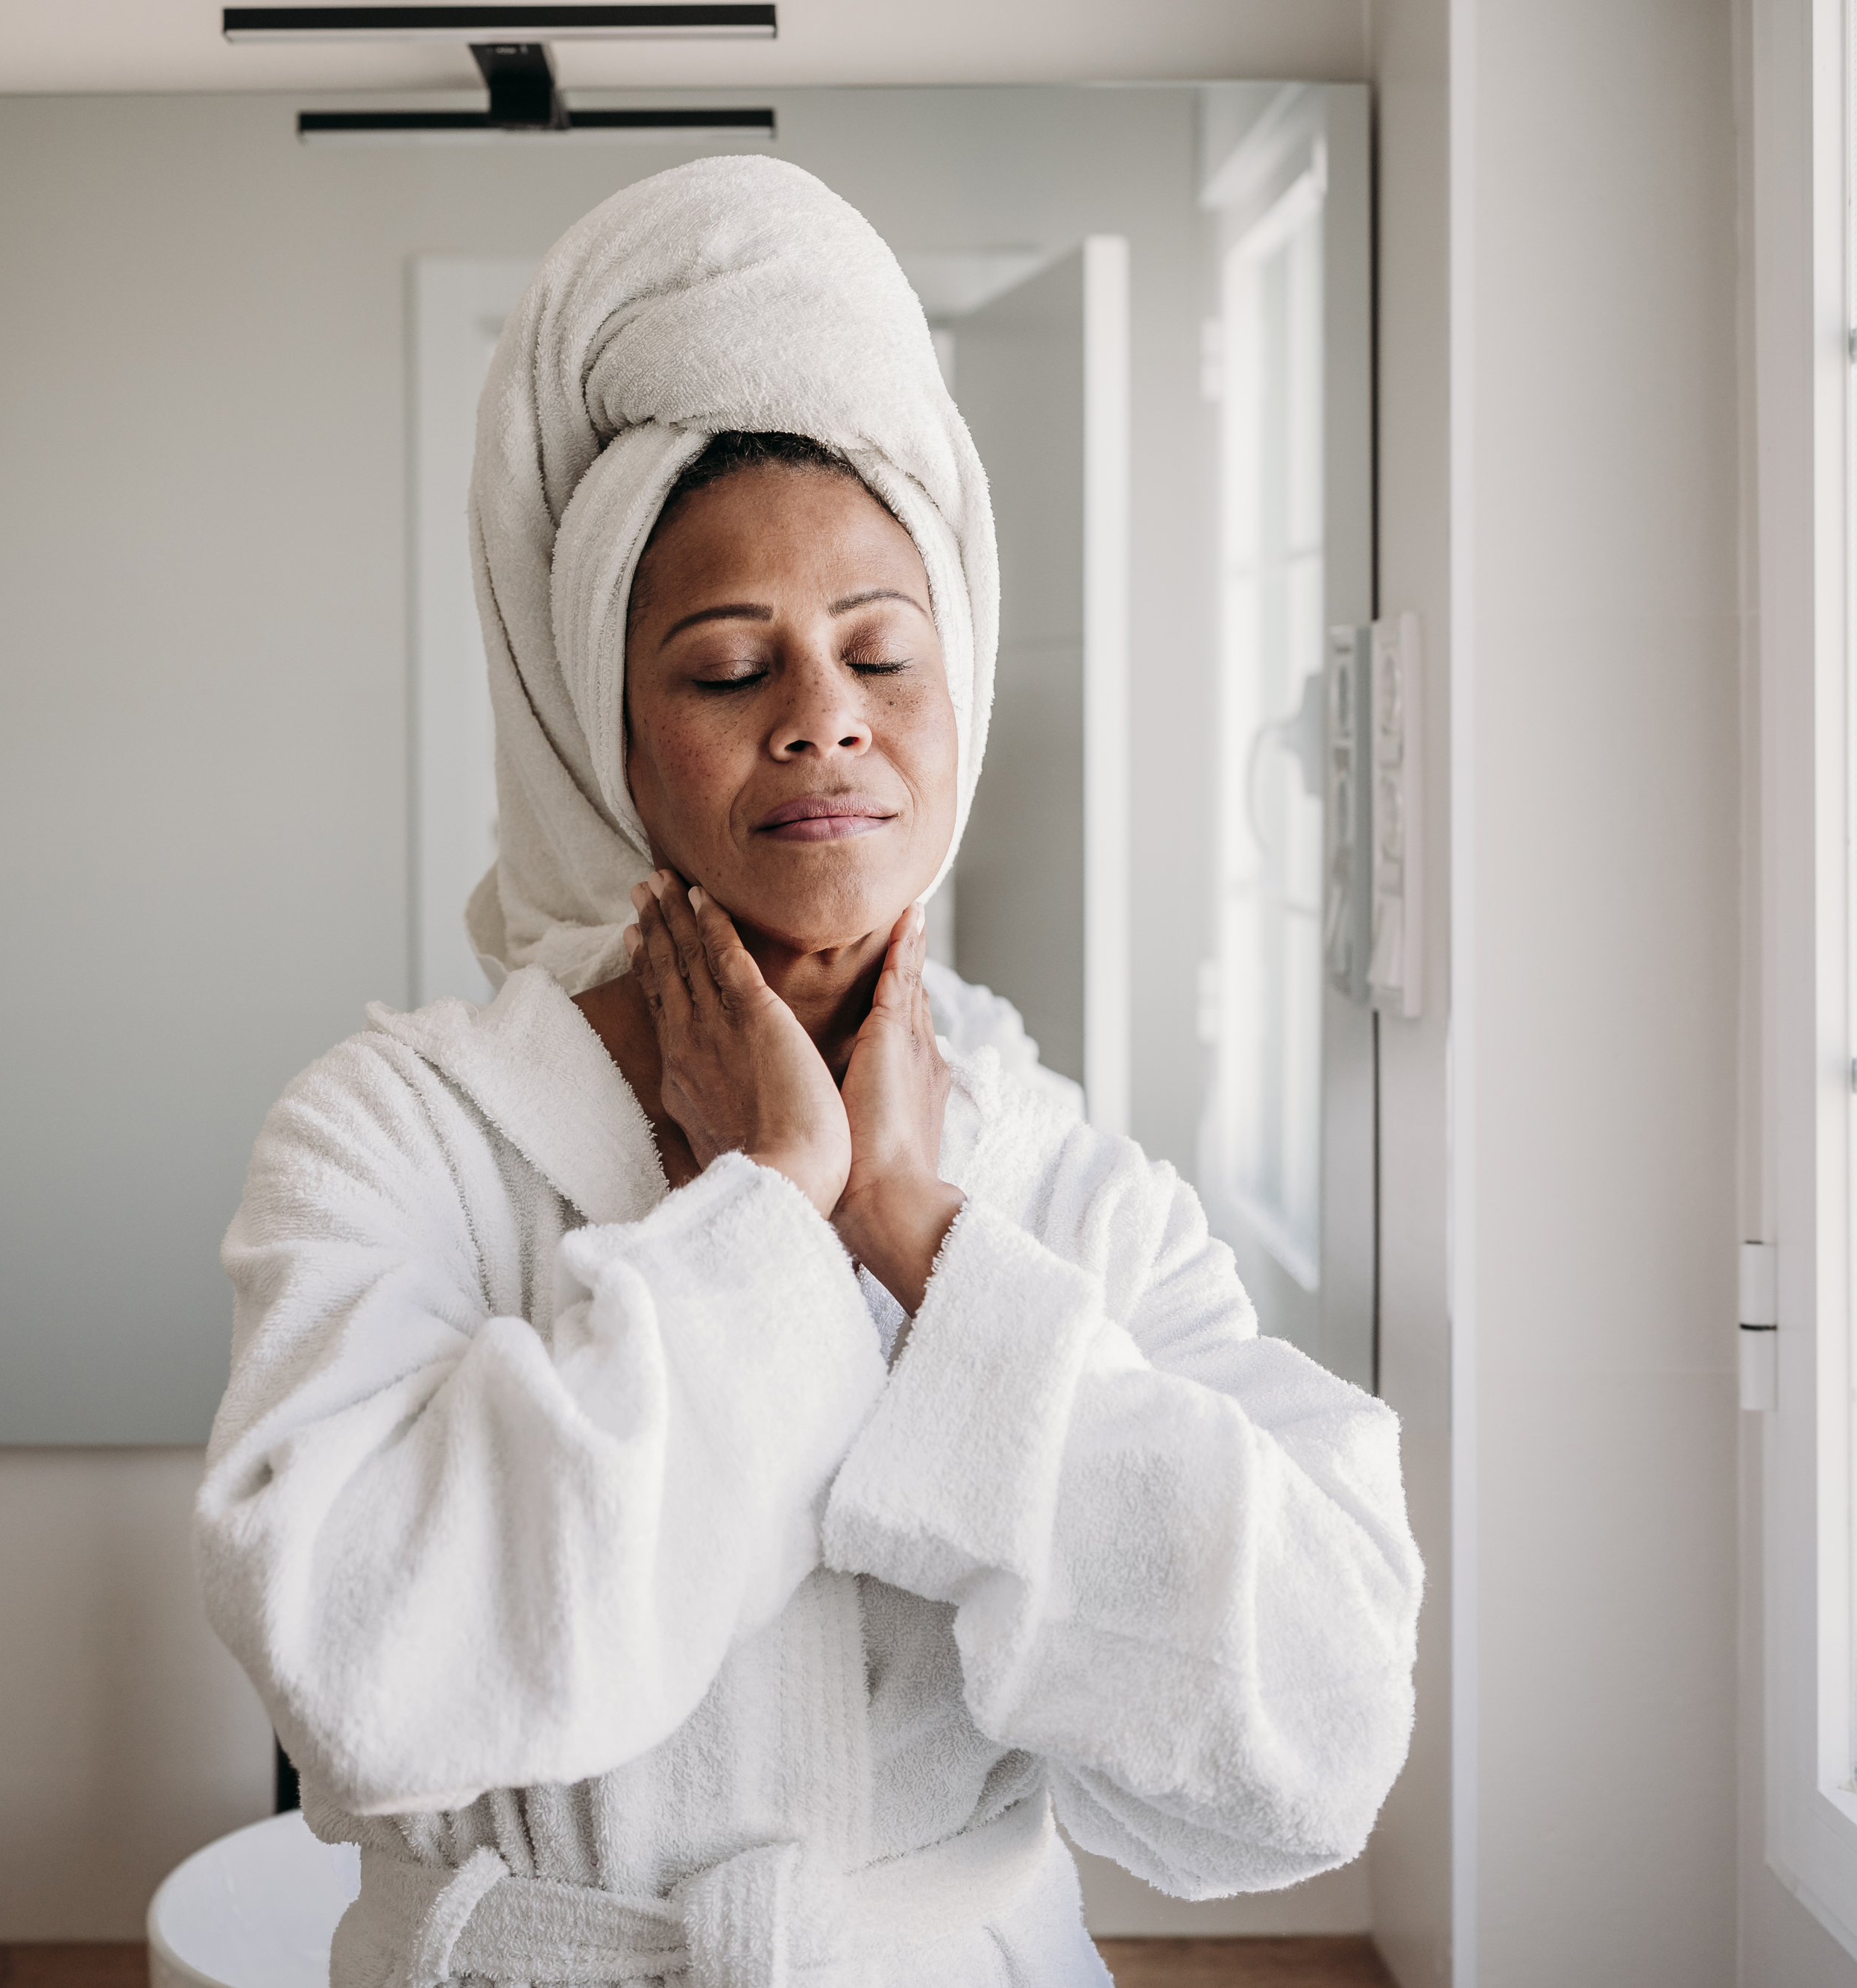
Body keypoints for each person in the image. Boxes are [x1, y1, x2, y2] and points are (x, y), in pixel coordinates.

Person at [196, 157, 1420, 1988]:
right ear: (601, 732)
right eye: (723, 664)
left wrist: (922, 1241)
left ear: (956, 695)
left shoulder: (1057, 1186)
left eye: (877, 649)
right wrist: (769, 1209)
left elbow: (1316, 1734)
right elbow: (371, 1668)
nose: (822, 712)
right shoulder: (394, 1139)